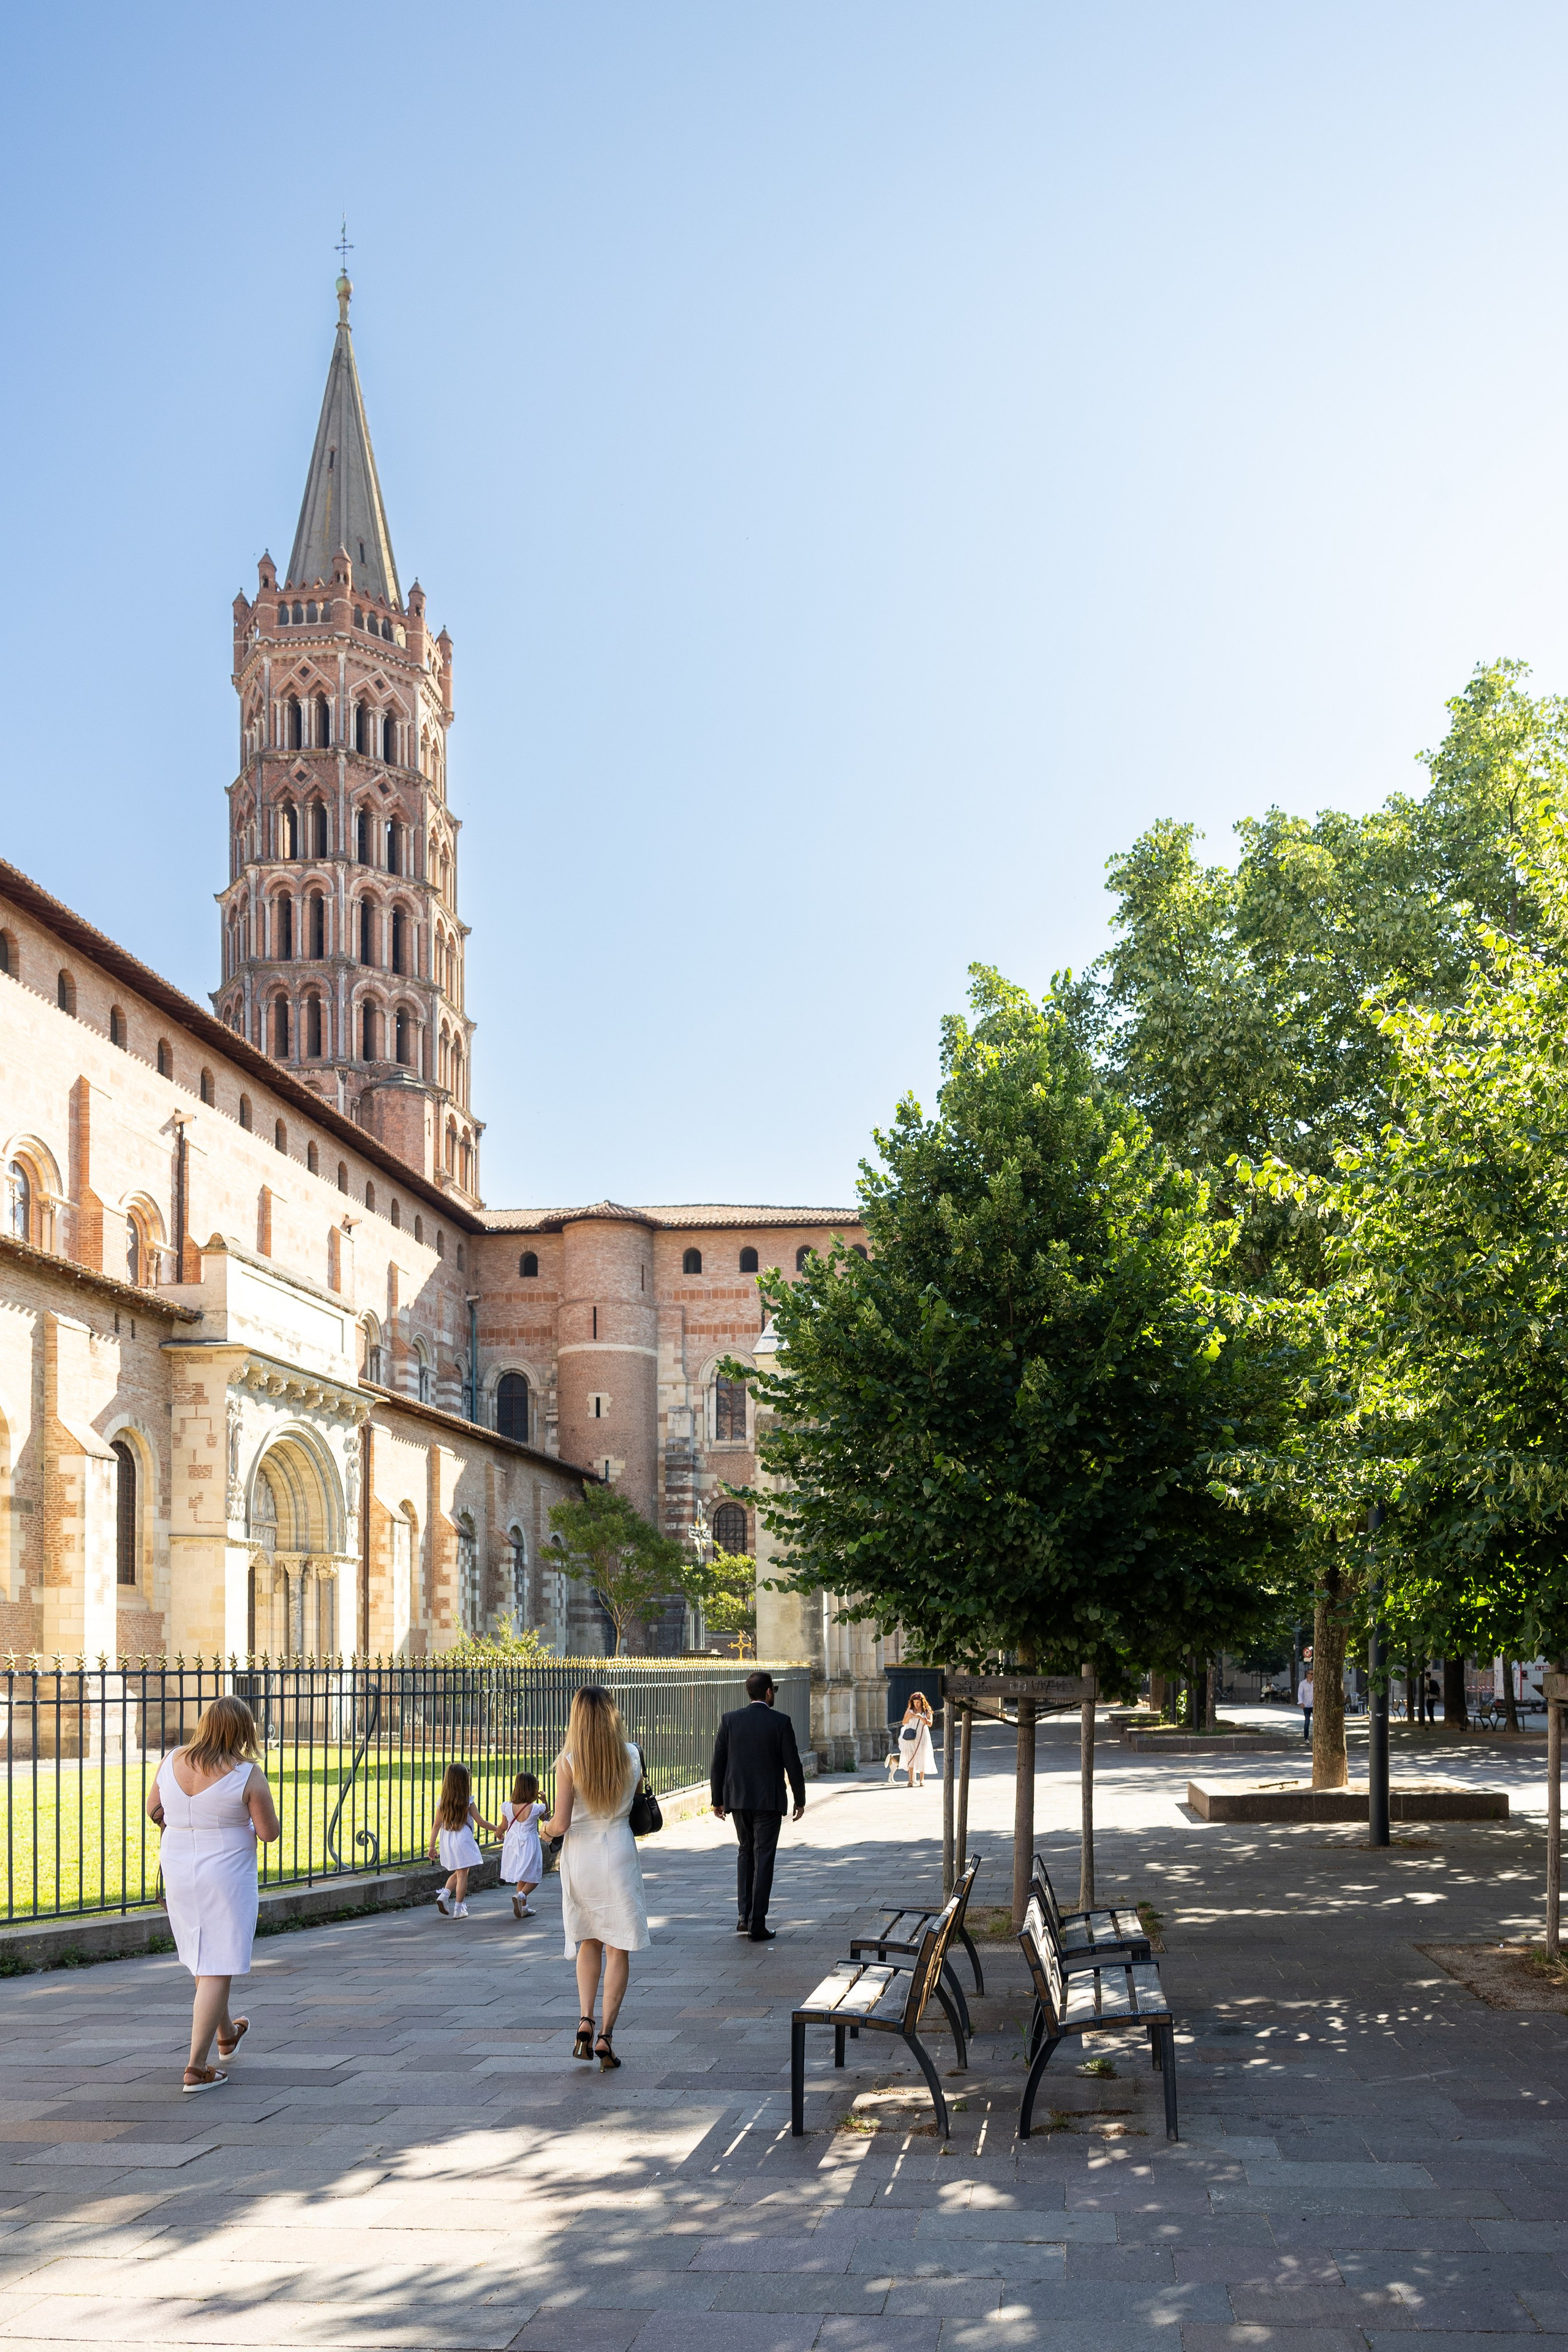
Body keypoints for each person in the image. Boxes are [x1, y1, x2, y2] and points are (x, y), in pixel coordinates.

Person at [145, 1694, 280, 2095]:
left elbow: (154, 1809)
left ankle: (226, 2035)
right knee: (219, 1962)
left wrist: (186, 1828)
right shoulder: (246, 1774)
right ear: (242, 1731)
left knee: (203, 1954)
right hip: (226, 1873)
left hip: (179, 1869)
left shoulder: (171, 1761)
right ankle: (196, 2067)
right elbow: (269, 1832)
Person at [540, 1687, 648, 2071]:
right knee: (618, 1946)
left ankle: (584, 2019)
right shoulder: (632, 1754)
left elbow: (563, 1822)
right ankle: (606, 2037)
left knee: (588, 1938)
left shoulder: (568, 1761)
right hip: (618, 1849)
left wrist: (546, 1832)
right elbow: (636, 1799)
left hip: (581, 1855)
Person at [710, 1669, 806, 1942]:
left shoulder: (730, 1720)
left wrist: (718, 1800)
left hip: (738, 1800)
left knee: (745, 1852)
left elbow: (718, 1762)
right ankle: (758, 1923)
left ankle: (744, 1917)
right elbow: (793, 1764)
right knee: (764, 1856)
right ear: (768, 1692)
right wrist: (799, 1799)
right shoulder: (780, 1722)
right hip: (769, 1801)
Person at [429, 1763, 493, 1917]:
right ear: (464, 1782)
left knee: (460, 1871)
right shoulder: (468, 1801)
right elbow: (480, 1821)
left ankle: (444, 1895)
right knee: (463, 1874)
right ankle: (459, 1908)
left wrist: (432, 1846)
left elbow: (436, 1825)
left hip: (447, 1839)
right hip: (463, 1837)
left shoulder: (442, 1802)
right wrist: (497, 1829)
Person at [500, 1771, 548, 1919]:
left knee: (523, 1874)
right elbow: (546, 1819)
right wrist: (545, 1800)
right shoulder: (536, 1808)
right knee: (534, 1876)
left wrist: (498, 1832)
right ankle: (521, 1895)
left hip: (513, 1843)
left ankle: (524, 1907)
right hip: (530, 1843)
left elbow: (503, 1825)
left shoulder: (507, 1807)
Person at [895, 1692, 937, 1787]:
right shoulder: (910, 1710)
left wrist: (921, 1718)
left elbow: (930, 1724)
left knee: (922, 1755)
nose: (916, 1705)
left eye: (918, 1702)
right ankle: (911, 1780)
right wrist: (909, 1716)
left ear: (922, 1702)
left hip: (922, 1735)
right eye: (915, 1703)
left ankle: (922, 1780)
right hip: (911, 1735)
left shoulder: (927, 1711)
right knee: (911, 1756)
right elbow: (904, 1722)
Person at [1298, 1656, 1314, 1743]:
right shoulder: (1303, 1684)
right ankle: (1306, 1738)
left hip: (1314, 1705)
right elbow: (1300, 1693)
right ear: (1307, 1674)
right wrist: (1301, 1702)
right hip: (1307, 1705)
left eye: (1313, 1674)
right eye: (1311, 1674)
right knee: (1307, 1722)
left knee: (1318, 1722)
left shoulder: (1316, 1683)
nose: (1312, 1676)